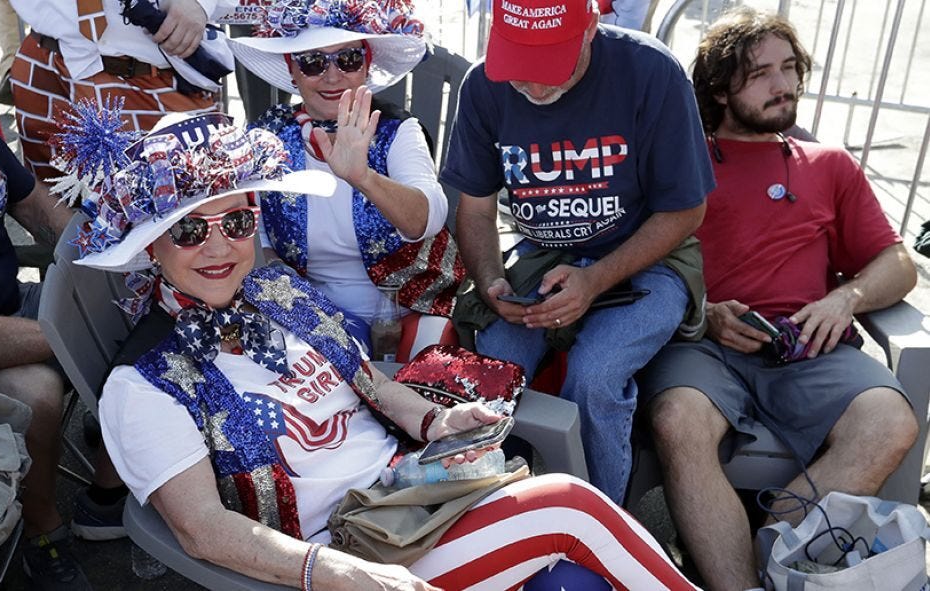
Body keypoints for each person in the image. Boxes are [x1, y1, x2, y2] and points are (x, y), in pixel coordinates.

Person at [66, 108, 703, 591]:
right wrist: (342, 574)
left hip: (412, 495)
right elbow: (202, 530)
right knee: (569, 509)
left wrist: (438, 419)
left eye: (235, 222)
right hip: (348, 554)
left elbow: (371, 383)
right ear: (149, 247)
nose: (219, 248)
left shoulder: (274, 288)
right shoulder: (143, 384)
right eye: (188, 231)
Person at [638, 8, 919, 590]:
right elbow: (644, 263)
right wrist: (707, 313)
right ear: (719, 88)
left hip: (810, 343)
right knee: (676, 417)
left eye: (789, 68)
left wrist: (848, 298)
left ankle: (773, 551)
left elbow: (898, 262)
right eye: (761, 73)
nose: (783, 84)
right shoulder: (680, 166)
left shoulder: (829, 165)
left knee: (890, 419)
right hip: (705, 344)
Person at [440, 0, 715, 504]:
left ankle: (600, 525)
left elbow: (685, 211)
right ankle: (498, 512)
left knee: (596, 375)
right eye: (520, 68)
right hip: (542, 251)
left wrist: (596, 278)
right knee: (496, 363)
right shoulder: (482, 86)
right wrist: (489, 279)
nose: (535, 87)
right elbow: (475, 210)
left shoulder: (652, 71)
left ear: (591, 26)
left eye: (550, 67)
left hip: (649, 256)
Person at [228, 0, 465, 361]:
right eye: (312, 62)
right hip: (311, 314)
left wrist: (363, 177)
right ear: (292, 71)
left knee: (426, 367)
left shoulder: (398, 132)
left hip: (411, 308)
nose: (333, 75)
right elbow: (256, 235)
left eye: (349, 59)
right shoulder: (268, 137)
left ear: (367, 66)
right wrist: (292, 299)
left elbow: (427, 219)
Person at [0, 125, 95, 589]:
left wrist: (103, 254)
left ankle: (109, 493)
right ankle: (43, 533)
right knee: (37, 394)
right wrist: (68, 335)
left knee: (137, 302)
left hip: (13, 302)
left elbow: (33, 203)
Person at [9, 0, 234, 181]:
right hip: (46, 58)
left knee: (185, 213)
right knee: (55, 210)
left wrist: (201, 3)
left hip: (150, 72)